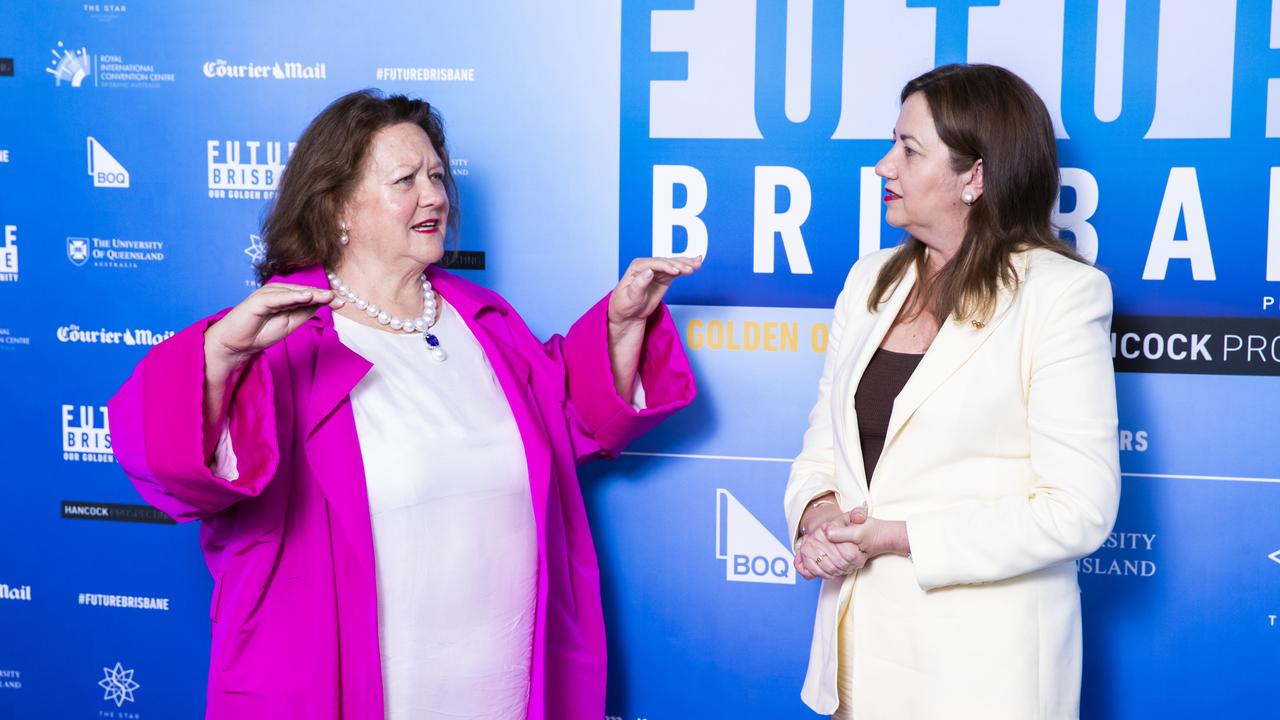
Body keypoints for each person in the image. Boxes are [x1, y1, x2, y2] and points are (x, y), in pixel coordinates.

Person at [109, 89, 700, 720]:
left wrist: (620, 324)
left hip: (501, 681)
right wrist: (220, 360)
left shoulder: (485, 323)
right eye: (405, 180)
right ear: (338, 207)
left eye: (438, 176)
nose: (435, 196)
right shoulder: (278, 337)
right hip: (354, 687)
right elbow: (177, 466)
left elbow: (568, 417)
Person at [784, 64, 1120, 719]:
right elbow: (824, 448)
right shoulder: (869, 280)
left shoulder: (1061, 295)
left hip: (985, 677)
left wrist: (900, 536)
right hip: (858, 666)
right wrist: (817, 517)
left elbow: (1078, 509)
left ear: (975, 176)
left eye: (909, 151)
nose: (884, 166)